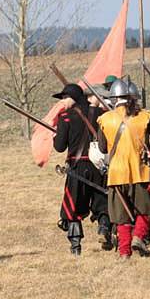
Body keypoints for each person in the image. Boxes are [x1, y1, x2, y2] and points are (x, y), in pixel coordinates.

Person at [53, 83, 111, 254]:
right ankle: (104, 229)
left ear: (73, 97)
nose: (62, 101)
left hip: (77, 168)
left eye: (65, 97)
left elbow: (59, 146)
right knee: (102, 202)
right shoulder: (101, 113)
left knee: (73, 208)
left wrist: (55, 134)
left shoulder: (65, 117)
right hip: (98, 166)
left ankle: (76, 246)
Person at [97, 79, 150, 258]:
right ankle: (138, 237)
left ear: (114, 98)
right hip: (139, 171)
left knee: (121, 217)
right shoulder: (144, 117)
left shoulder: (105, 119)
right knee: (146, 210)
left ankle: (124, 252)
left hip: (116, 173)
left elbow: (103, 148)